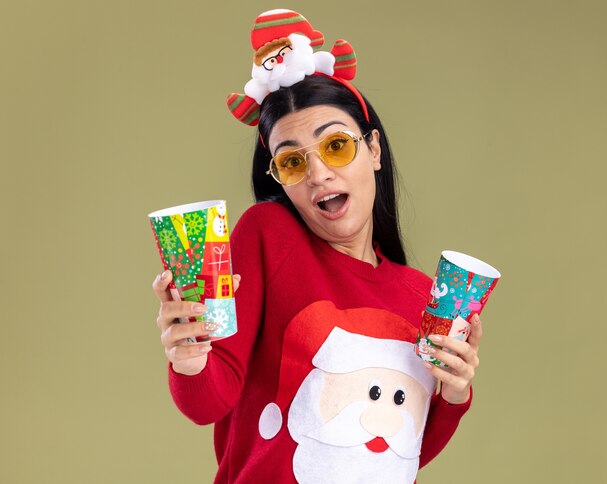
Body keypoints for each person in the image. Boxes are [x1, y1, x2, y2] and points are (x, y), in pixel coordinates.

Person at [152, 9, 482, 483]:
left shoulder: (423, 294)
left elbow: (398, 451)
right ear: (279, 178)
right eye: (291, 162)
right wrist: (189, 357)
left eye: (335, 147)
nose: (318, 174)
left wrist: (454, 392)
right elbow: (209, 403)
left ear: (373, 150)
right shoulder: (266, 234)